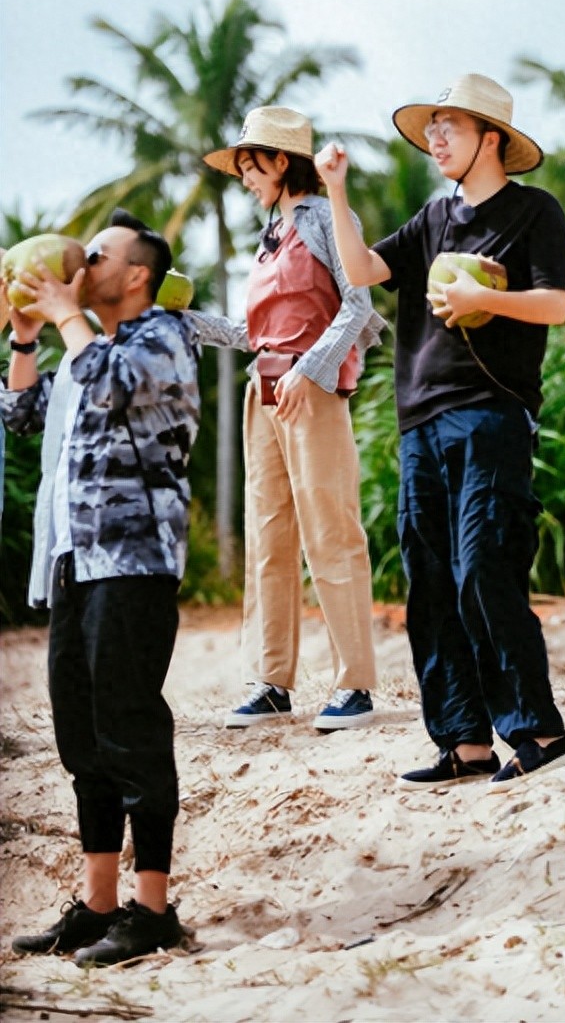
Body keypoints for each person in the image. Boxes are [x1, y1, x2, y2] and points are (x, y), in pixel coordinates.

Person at [317, 73, 565, 790]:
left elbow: (556, 305)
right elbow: (363, 269)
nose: (435, 139)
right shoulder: (433, 220)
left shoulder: (534, 212)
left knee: (484, 567)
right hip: (420, 421)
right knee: (430, 583)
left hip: (492, 413)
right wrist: (336, 191)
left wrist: (481, 297)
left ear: (492, 138)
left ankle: (540, 730)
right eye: (430, 128)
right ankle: (464, 741)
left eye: (450, 127)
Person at [1, 211, 200, 967]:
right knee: (81, 737)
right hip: (75, 563)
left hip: (136, 560)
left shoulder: (162, 340)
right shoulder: (94, 346)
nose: (82, 263)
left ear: (137, 274)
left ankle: (154, 908)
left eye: (98, 255)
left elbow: (107, 381)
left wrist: (64, 312)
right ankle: (99, 903)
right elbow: (21, 411)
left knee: (130, 728)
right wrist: (27, 333)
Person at [198, 106, 384, 731]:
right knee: (268, 537)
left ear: (282, 162)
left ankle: (354, 684)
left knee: (331, 532)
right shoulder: (270, 233)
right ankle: (271, 681)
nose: (246, 179)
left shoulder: (331, 217)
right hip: (265, 390)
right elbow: (253, 333)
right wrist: (185, 322)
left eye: (252, 168)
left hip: (315, 390)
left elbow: (357, 305)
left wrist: (312, 369)